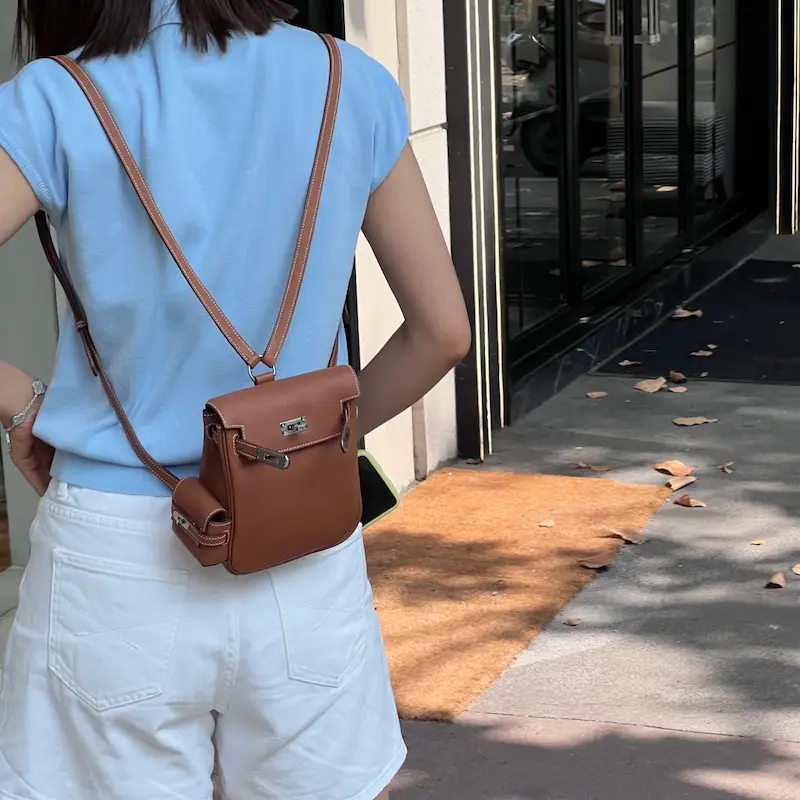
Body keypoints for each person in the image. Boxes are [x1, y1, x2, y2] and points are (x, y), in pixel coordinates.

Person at [0, 1, 471, 798]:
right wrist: (306, 448)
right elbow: (443, 334)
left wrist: (21, 402)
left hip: (116, 553)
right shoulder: (346, 81)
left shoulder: (54, 96)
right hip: (298, 539)